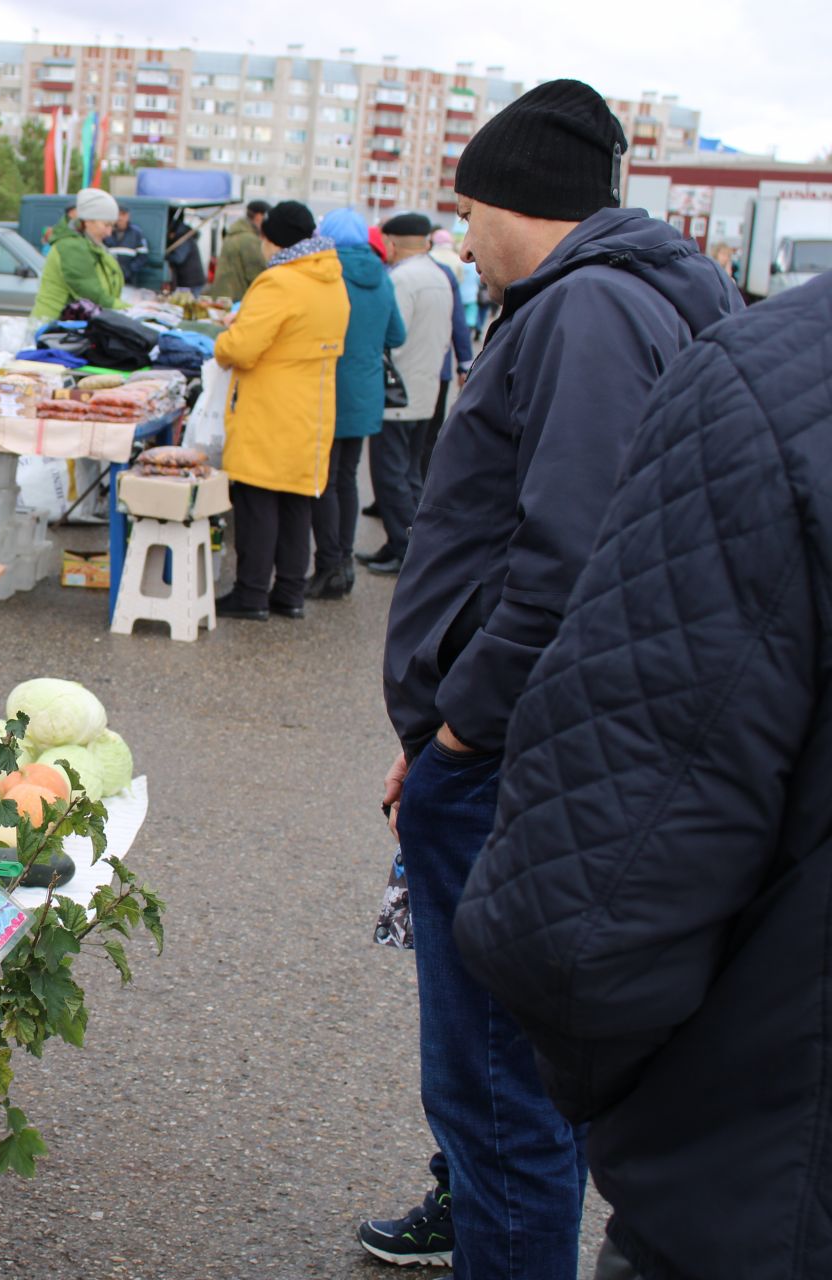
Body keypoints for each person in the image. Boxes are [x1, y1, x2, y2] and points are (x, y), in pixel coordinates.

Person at [365, 79, 741, 1277]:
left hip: (518, 758)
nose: (463, 233)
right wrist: (427, 725)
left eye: (468, 207)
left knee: (497, 1080)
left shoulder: (586, 316)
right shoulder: (605, 304)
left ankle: (500, 1231)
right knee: (496, 1066)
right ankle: (466, 1205)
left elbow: (569, 553)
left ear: (505, 201)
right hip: (510, 744)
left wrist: (463, 730)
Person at [453, 277, 832, 1280]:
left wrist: (456, 727)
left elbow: (586, 915)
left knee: (503, 1108)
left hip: (769, 1191)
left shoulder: (768, 387)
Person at [210, 201, 348, 621]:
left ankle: (251, 593)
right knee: (296, 504)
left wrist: (223, 341)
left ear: (273, 238)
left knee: (256, 501)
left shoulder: (279, 282)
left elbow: (243, 349)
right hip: (313, 408)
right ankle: (289, 594)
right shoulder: (330, 279)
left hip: (268, 408)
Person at [308, 208, 404, 600]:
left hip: (328, 389)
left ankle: (329, 566)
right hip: (366, 392)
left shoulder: (326, 272)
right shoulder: (381, 276)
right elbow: (397, 335)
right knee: (346, 479)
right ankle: (342, 563)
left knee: (323, 482)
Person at [358, 213, 451, 576]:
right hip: (425, 389)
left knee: (389, 475)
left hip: (397, 394)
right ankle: (404, 543)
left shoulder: (400, 280)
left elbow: (392, 336)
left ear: (392, 244)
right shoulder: (439, 276)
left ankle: (403, 547)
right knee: (410, 473)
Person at [420, 235, 477, 478]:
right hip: (439, 368)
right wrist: (464, 364)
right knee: (428, 435)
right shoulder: (445, 272)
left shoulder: (399, 272)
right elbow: (458, 323)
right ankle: (421, 486)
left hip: (404, 371)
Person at [30, 188, 126, 322]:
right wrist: (129, 309)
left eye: (112, 226)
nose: (109, 233)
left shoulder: (90, 245)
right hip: (55, 327)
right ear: (88, 221)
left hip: (72, 324)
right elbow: (91, 294)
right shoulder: (71, 247)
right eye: (106, 225)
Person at [212, 198, 270, 301]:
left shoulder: (234, 234)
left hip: (223, 296)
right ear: (258, 216)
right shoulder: (249, 240)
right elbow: (257, 276)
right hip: (235, 299)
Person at [433, 229, 480, 334]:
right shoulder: (457, 259)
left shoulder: (430, 257)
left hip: (437, 299)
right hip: (464, 295)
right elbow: (460, 279)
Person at [104, 207, 149, 287]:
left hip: (129, 279)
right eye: (118, 215)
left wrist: (130, 270)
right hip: (109, 277)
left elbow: (142, 256)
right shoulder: (107, 232)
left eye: (123, 215)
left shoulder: (136, 233)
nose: (120, 218)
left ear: (128, 216)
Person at [165, 210, 206, 295]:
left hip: (192, 282)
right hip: (189, 281)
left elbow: (178, 258)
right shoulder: (183, 235)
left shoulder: (183, 239)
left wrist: (165, 256)